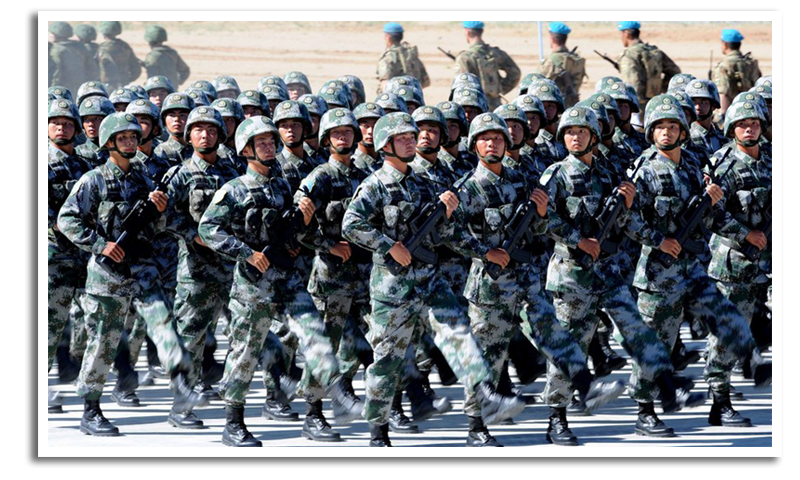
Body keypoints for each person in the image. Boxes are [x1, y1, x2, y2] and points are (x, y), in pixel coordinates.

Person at [342, 112, 527, 447]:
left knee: (460, 336)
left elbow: (448, 234)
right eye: (402, 138)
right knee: (388, 359)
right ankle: (378, 429)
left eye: (411, 137)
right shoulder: (375, 185)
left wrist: (471, 238)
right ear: (385, 145)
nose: (410, 142)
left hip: (430, 279)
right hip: (393, 287)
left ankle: (484, 398)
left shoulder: (424, 183)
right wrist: (388, 245)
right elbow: (351, 224)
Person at [198, 115, 363, 446]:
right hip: (252, 284)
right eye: (261, 142)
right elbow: (207, 228)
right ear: (246, 149)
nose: (269, 146)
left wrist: (306, 222)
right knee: (246, 351)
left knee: (316, 336)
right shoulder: (233, 189)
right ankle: (233, 421)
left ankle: (316, 412)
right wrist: (246, 253)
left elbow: (299, 233)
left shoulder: (284, 186)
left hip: (287, 279)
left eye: (271, 141)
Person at [57, 112, 204, 436]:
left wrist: (161, 210)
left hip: (144, 269)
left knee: (164, 325)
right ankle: (91, 409)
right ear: (108, 142)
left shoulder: (145, 179)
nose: (129, 142)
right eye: (122, 138)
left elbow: (161, 225)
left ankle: (182, 387)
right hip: (108, 274)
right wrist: (100, 245)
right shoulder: (94, 180)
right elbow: (67, 220)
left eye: (133, 137)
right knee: (104, 341)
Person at [629, 96, 770, 430]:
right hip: (659, 272)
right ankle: (645, 409)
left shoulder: (694, 164)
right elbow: (629, 220)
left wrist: (711, 203)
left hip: (693, 267)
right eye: (660, 127)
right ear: (651, 132)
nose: (667, 132)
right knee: (657, 341)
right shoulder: (643, 169)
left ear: (682, 131)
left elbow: (710, 218)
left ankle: (720, 401)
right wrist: (659, 240)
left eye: (673, 126)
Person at [294, 108, 372, 440]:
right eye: (337, 133)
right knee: (325, 346)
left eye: (348, 132)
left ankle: (349, 396)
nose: (343, 137)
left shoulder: (366, 175)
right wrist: (327, 245)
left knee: (368, 341)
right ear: (327, 139)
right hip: (331, 279)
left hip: (364, 276)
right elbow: (297, 225)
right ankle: (313, 413)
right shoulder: (320, 177)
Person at [707, 100, 772, 397]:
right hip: (734, 260)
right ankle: (719, 391)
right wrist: (746, 234)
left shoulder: (772, 159)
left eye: (754, 124)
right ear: (732, 128)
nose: (749, 129)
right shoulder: (722, 164)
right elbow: (711, 214)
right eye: (742, 125)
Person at [47, 100, 93, 414]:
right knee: (50, 326)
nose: (61, 128)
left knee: (92, 320)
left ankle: (75, 370)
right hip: (54, 257)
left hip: (85, 257)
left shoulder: (84, 166)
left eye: (67, 123)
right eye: (55, 123)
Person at [616, 21, 681, 117]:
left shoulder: (629, 55)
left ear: (627, 34)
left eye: (621, 34)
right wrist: (660, 87)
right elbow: (675, 71)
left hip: (637, 106)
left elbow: (632, 83)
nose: (620, 37)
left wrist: (630, 107)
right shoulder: (652, 50)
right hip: (655, 102)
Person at [455, 21, 521, 111]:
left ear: (467, 32)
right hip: (495, 105)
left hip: (475, 107)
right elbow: (515, 73)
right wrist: (499, 89)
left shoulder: (464, 58)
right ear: (481, 31)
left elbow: (461, 85)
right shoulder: (495, 53)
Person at [713, 29, 762, 116]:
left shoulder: (723, 66)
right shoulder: (750, 63)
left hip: (734, 114)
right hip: (753, 111)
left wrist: (722, 117)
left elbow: (723, 93)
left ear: (724, 44)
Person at [537, 22, 586, 107]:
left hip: (554, 107)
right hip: (572, 105)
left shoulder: (552, 60)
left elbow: (537, 85)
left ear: (551, 38)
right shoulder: (575, 59)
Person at [376, 22, 430, 94]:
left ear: (388, 38)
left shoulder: (387, 57)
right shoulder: (411, 54)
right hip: (414, 97)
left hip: (395, 98)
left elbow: (385, 84)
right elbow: (426, 82)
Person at [49, 21, 95, 94]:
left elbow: (56, 74)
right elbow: (92, 69)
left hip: (62, 90)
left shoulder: (57, 50)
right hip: (81, 88)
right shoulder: (80, 47)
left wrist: (52, 90)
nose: (50, 35)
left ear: (56, 35)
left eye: (51, 33)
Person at [97, 21, 142, 91]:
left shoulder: (100, 49)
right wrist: (127, 79)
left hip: (106, 86)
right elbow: (136, 68)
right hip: (124, 85)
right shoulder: (124, 47)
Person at [153, 92, 195, 165]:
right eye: (172, 115)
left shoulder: (198, 149)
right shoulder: (160, 152)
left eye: (182, 115)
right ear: (164, 120)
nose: (176, 119)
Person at [352, 101, 385, 174]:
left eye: (375, 126)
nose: (370, 131)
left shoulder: (388, 162)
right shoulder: (353, 165)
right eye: (365, 126)